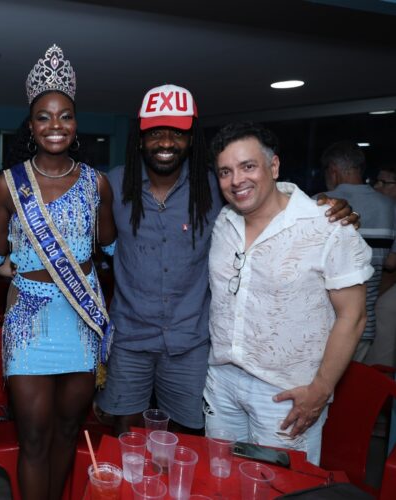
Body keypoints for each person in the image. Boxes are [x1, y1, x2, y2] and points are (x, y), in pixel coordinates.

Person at [96, 85, 358, 437]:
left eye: (177, 132)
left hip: (192, 342)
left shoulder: (213, 187)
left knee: (187, 438)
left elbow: (263, 197)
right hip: (130, 338)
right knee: (125, 433)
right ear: (140, 139)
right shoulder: (113, 184)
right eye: (155, 132)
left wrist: (322, 205)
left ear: (191, 138)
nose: (166, 141)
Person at [0, 45, 116, 500]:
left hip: (80, 321)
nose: (55, 125)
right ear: (32, 125)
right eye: (44, 117)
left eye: (65, 116)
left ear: (76, 124)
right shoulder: (7, 184)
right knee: (35, 437)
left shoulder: (95, 183)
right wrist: (25, 274)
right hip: (28, 321)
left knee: (67, 432)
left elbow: (112, 248)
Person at [204, 121, 372, 465]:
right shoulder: (224, 221)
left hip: (285, 394)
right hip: (221, 384)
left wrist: (320, 391)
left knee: (278, 486)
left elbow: (353, 316)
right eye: (226, 171)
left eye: (248, 166)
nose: (237, 180)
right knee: (220, 479)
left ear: (274, 166)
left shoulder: (327, 225)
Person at [321, 141, 396, 361]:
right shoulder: (390, 207)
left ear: (332, 171)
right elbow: (391, 263)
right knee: (353, 392)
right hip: (365, 323)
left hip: (324, 324)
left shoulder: (320, 203)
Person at [366, 164, 396, 367]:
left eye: (384, 182)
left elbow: (392, 265)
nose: (377, 186)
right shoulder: (386, 210)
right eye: (377, 181)